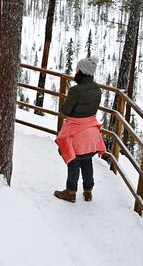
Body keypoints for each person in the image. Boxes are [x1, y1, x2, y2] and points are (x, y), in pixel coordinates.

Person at [54, 57, 106, 202]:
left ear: (82, 71)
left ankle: (70, 192)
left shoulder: (75, 91)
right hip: (92, 132)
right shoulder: (97, 89)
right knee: (87, 160)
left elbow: (65, 111)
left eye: (77, 68)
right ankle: (88, 191)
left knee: (73, 160)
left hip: (76, 133)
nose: (75, 70)